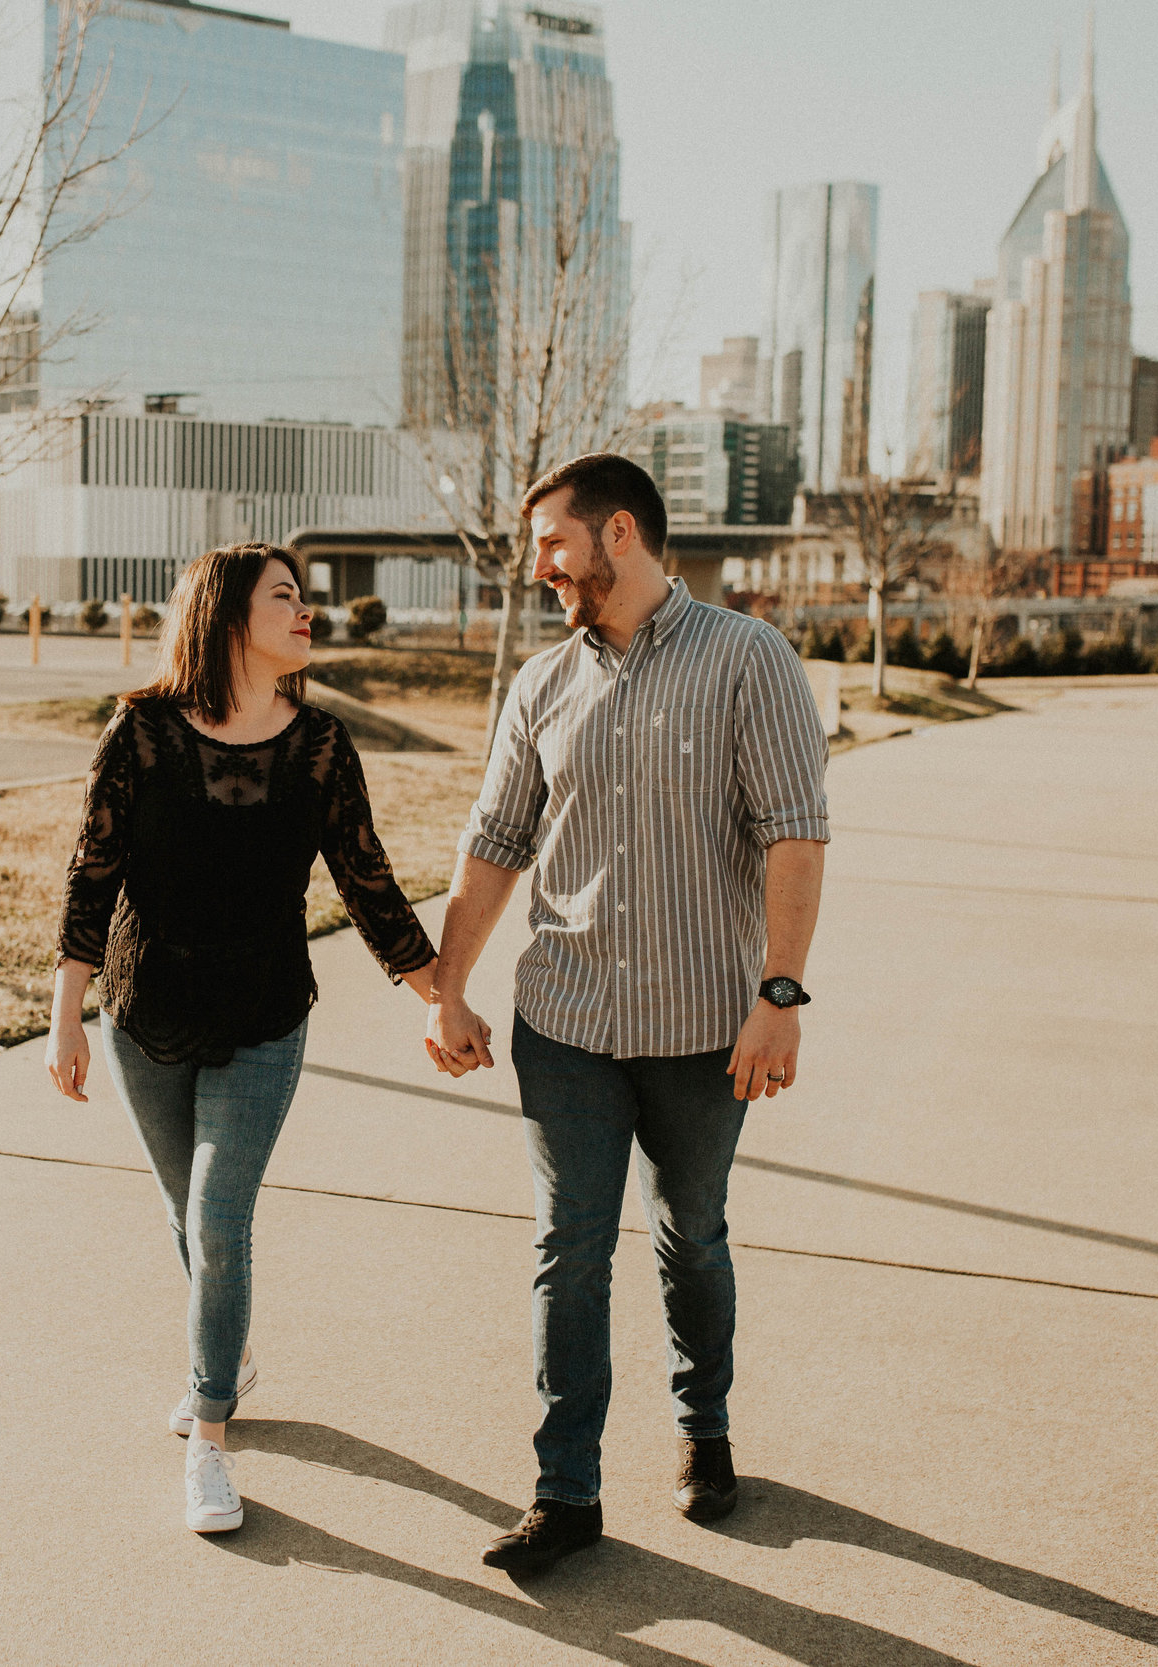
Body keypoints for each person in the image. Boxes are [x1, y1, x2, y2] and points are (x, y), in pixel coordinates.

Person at [420, 453, 830, 1575]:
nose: (538, 568)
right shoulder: (540, 683)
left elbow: (795, 829)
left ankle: (703, 1428)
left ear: (616, 533)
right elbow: (495, 842)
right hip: (567, 1018)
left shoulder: (750, 659)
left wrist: (778, 997)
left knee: (689, 1234)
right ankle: (566, 1490)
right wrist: (449, 985)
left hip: (707, 1024)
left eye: (551, 543)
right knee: (570, 1248)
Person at [48, 542, 440, 1535]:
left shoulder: (319, 746)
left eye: (304, 599)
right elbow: (90, 877)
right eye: (285, 598)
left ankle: (209, 1439)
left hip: (265, 1011)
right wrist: (65, 1016)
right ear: (228, 615)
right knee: (190, 1216)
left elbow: (368, 883)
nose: (307, 613)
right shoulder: (139, 733)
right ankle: (227, 1353)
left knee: (220, 1218)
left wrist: (440, 992)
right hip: (146, 1012)